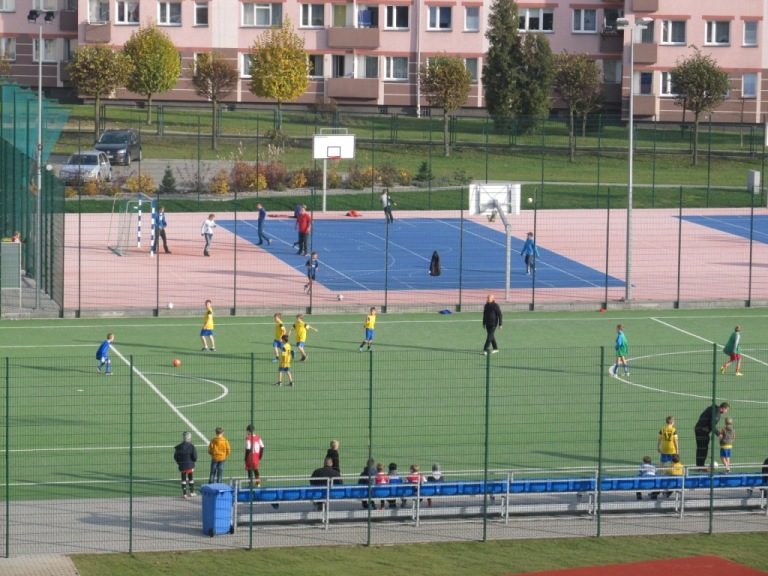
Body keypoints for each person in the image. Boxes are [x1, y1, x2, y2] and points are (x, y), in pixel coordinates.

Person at [694, 401, 730, 468]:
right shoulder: (717, 413)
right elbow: (712, 425)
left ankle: (699, 465)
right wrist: (719, 434)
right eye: (726, 410)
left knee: (700, 448)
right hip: (703, 431)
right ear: (723, 408)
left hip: (698, 428)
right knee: (703, 449)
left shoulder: (713, 408)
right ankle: (700, 466)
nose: (726, 412)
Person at [173, 431, 198, 499]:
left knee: (183, 479)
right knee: (191, 478)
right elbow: (195, 457)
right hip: (190, 465)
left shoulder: (179, 447)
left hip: (182, 466)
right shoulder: (191, 446)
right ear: (189, 438)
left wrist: (179, 462)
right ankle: (191, 492)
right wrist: (193, 461)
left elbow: (175, 457)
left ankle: (184, 494)